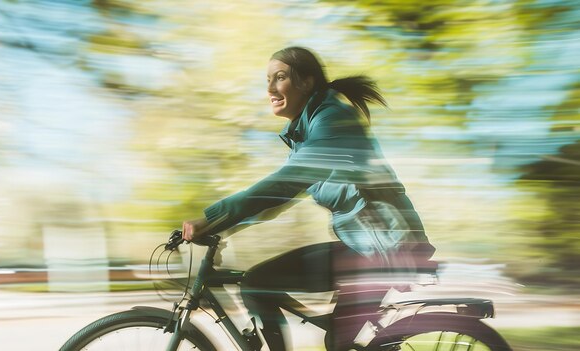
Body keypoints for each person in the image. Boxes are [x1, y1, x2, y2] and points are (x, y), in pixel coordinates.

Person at [182, 46, 435, 351]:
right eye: (267, 80)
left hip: (386, 249)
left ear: (307, 82)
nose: (270, 88)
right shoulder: (309, 133)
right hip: (367, 246)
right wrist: (221, 229)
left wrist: (211, 219)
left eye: (280, 77)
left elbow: (283, 185)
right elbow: (276, 201)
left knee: (277, 295)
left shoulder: (332, 119)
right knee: (258, 284)